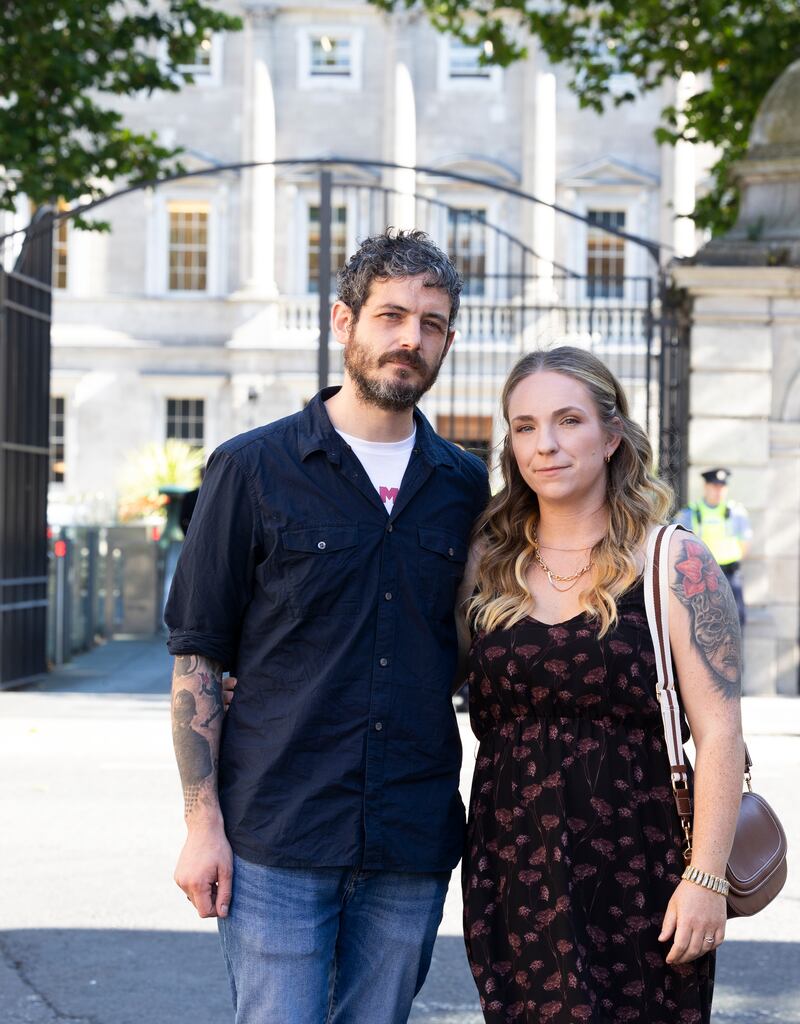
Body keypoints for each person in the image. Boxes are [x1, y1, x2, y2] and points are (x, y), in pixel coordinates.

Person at [164, 229, 489, 1024]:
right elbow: (198, 658)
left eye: (433, 322)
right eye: (391, 315)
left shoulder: (465, 486)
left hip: (411, 835)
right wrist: (201, 824)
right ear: (344, 322)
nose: (410, 339)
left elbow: (474, 648)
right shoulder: (251, 468)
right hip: (278, 830)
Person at [458, 347, 745, 1024]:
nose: (545, 444)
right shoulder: (488, 561)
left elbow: (722, 733)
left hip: (639, 871)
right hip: (511, 865)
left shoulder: (674, 560)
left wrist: (704, 879)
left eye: (568, 420)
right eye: (525, 426)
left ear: (612, 435)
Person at [674, 467, 751, 627]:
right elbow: (677, 546)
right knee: (703, 623)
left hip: (731, 575)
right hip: (702, 577)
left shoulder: (736, 512)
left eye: (722, 487)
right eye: (714, 486)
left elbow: (745, 544)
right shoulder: (690, 513)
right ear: (706, 487)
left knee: (736, 620)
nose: (718, 491)